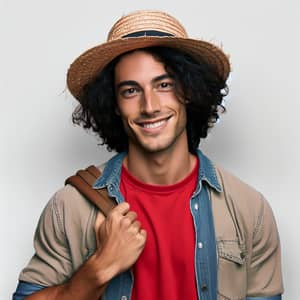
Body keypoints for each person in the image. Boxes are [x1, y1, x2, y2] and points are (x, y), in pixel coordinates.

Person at [13, 10, 283, 300]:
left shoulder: (248, 209)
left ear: (189, 91)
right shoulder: (69, 206)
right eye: (130, 90)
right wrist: (100, 268)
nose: (149, 105)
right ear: (115, 104)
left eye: (164, 85)